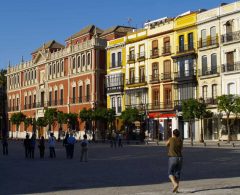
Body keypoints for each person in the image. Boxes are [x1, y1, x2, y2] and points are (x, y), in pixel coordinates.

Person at [166, 129, 183, 193]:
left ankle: (174, 184)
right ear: (179, 134)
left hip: (172, 158)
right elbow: (181, 149)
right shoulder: (180, 140)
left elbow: (166, 144)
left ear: (173, 134)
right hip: (180, 158)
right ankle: (176, 189)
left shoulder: (171, 139)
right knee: (177, 173)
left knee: (170, 173)